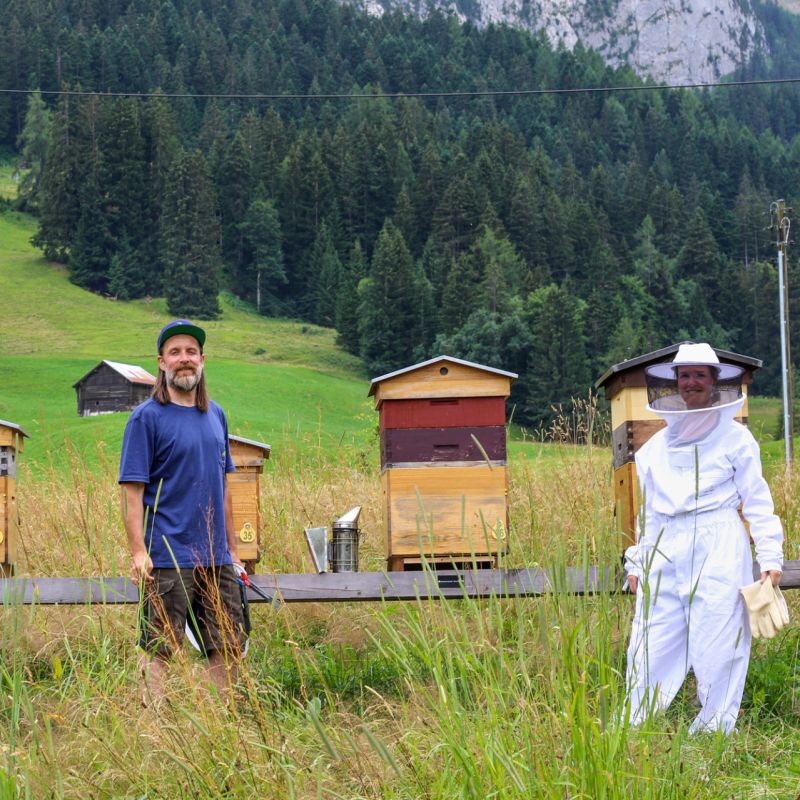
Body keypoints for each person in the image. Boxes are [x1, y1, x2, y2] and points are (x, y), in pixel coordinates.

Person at [624, 342, 783, 734]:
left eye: (699, 375)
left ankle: (713, 729)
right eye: (684, 375)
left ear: (714, 382)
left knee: (719, 635)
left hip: (719, 542)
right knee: (652, 635)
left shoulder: (736, 440)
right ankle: (635, 722)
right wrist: (638, 561)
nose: (690, 382)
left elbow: (758, 501)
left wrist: (771, 558)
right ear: (674, 382)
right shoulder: (654, 448)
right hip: (664, 544)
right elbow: (648, 513)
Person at [119, 319, 247, 706]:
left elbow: (223, 487)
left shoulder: (217, 416)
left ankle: (219, 728)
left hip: (217, 558)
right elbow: (131, 492)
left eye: (191, 352)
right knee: (159, 647)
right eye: (175, 352)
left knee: (226, 645)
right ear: (161, 363)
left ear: (203, 360)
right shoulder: (146, 418)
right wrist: (139, 551)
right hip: (168, 556)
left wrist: (232, 552)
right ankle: (152, 729)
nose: (184, 359)